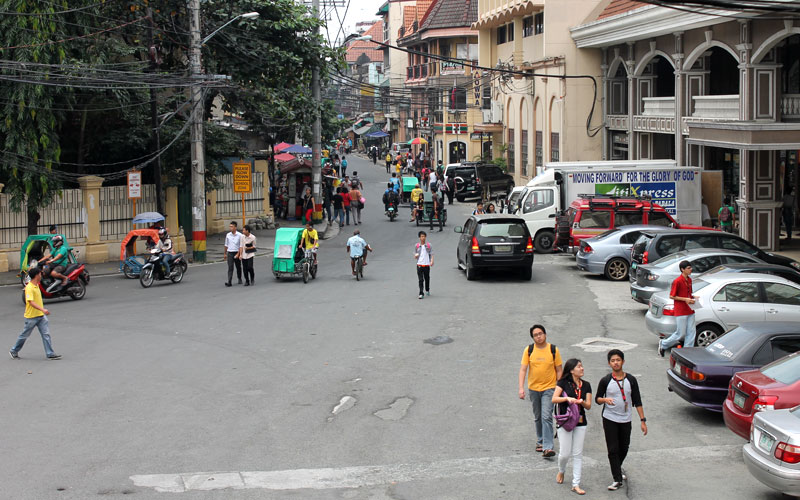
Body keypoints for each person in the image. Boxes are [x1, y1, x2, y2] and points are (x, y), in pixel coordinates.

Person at [595, 349, 647, 491]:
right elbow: (597, 399)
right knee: (613, 449)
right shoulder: (606, 380)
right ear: (609, 363)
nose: (615, 362)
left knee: (624, 447)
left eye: (618, 360)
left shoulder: (631, 380)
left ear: (623, 362)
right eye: (613, 360)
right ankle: (617, 479)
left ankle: (617, 467)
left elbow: (637, 400)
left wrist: (643, 420)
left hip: (626, 419)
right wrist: (605, 399)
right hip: (609, 418)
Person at [518, 324, 563, 458]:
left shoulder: (553, 350)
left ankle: (548, 447)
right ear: (533, 337)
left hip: (549, 389)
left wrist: (559, 387)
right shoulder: (529, 350)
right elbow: (523, 369)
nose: (538, 336)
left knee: (546, 417)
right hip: (533, 389)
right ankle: (540, 440)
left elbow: (559, 369)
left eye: (540, 333)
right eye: (535, 335)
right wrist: (521, 388)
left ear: (545, 334)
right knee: (538, 417)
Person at [552, 358, 591, 495]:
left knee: (578, 453)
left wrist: (582, 402)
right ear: (571, 370)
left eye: (582, 366)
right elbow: (554, 398)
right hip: (566, 420)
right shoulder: (563, 382)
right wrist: (567, 398)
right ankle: (561, 470)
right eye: (579, 367)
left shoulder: (586, 385)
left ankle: (576, 483)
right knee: (565, 453)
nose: (582, 368)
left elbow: (589, 405)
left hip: (580, 421)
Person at [10, 267, 61, 360]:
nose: (41, 275)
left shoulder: (37, 285)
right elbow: (30, 302)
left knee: (46, 334)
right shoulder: (29, 288)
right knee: (24, 335)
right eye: (40, 274)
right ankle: (14, 350)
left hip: (40, 316)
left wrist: (42, 311)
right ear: (37, 275)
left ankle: (50, 353)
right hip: (31, 317)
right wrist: (43, 309)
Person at [658, 260, 696, 356]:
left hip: (690, 309)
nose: (691, 269)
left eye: (690, 268)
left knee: (691, 332)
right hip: (681, 310)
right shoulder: (677, 281)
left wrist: (693, 298)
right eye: (688, 268)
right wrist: (685, 299)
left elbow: (689, 293)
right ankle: (663, 344)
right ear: (682, 270)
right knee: (680, 333)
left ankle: (687, 352)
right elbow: (672, 296)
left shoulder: (689, 280)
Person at [414, 231, 433, 299]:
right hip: (419, 264)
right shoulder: (417, 246)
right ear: (419, 237)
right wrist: (416, 256)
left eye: (424, 236)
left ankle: (427, 289)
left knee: (427, 278)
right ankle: (421, 293)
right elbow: (415, 254)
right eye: (421, 236)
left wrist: (431, 261)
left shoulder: (428, 245)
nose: (423, 238)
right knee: (420, 279)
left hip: (426, 265)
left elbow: (431, 253)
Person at [224, 221, 243, 287]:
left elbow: (241, 245)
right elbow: (226, 245)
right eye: (230, 226)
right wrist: (225, 253)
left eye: (232, 226)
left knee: (238, 266)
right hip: (230, 253)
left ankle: (239, 278)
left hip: (236, 252)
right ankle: (229, 281)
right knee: (230, 267)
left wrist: (238, 254)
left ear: (235, 227)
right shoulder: (228, 235)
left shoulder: (240, 235)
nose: (230, 228)